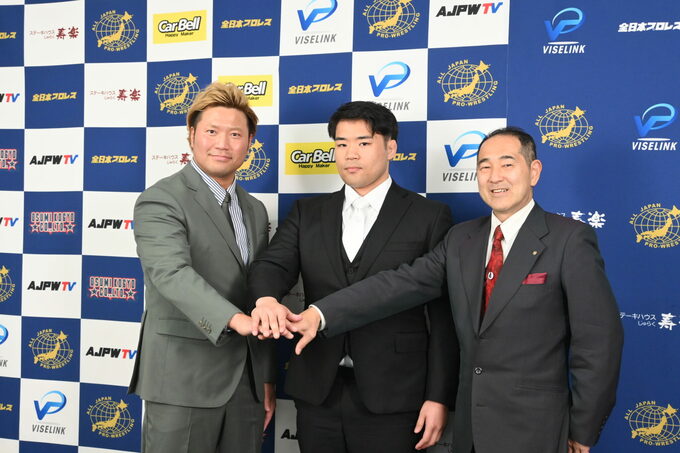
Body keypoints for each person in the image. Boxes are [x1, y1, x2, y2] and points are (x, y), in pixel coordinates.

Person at [285, 127, 624, 453]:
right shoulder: (462, 239)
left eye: (507, 164)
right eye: (484, 167)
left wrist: (583, 428)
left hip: (535, 429)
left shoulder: (569, 239)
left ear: (533, 171)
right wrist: (321, 314)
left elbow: (598, 342)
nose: (495, 177)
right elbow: (399, 284)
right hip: (469, 428)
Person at [248, 101, 458, 452]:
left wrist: (438, 396)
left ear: (390, 147)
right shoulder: (307, 212)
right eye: (341, 144)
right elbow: (272, 265)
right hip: (317, 389)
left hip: (396, 393)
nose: (351, 154)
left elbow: (443, 317)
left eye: (363, 142)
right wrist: (266, 299)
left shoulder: (429, 215)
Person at [128, 82, 276, 453]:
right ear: (192, 135)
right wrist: (237, 321)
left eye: (235, 134)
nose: (222, 143)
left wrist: (265, 377)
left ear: (250, 142)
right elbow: (171, 274)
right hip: (183, 380)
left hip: (246, 385)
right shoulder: (161, 199)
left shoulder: (255, 210)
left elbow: (260, 288)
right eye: (211, 131)